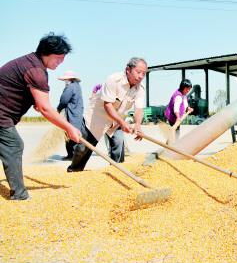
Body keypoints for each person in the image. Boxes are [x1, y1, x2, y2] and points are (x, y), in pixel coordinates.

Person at [0, 33, 81, 200]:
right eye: (59, 57)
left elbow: (37, 102)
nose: (61, 62)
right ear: (46, 53)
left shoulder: (31, 63)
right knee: (14, 145)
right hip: (2, 114)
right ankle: (20, 195)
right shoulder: (36, 70)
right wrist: (69, 127)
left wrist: (36, 103)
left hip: (4, 113)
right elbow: (45, 108)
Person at [67, 58, 147, 172]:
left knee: (118, 144)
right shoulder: (114, 80)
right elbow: (108, 105)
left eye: (144, 73)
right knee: (84, 148)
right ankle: (73, 170)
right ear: (128, 70)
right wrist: (122, 123)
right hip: (97, 118)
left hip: (117, 120)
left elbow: (139, 108)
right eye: (138, 72)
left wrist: (138, 125)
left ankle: (116, 171)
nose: (141, 76)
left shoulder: (140, 88)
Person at [56, 70, 84, 160]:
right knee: (75, 133)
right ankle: (74, 155)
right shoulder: (77, 86)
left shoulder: (70, 87)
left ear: (69, 79)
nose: (65, 81)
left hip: (71, 114)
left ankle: (71, 156)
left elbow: (64, 100)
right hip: (78, 113)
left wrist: (58, 109)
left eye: (65, 79)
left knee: (69, 134)